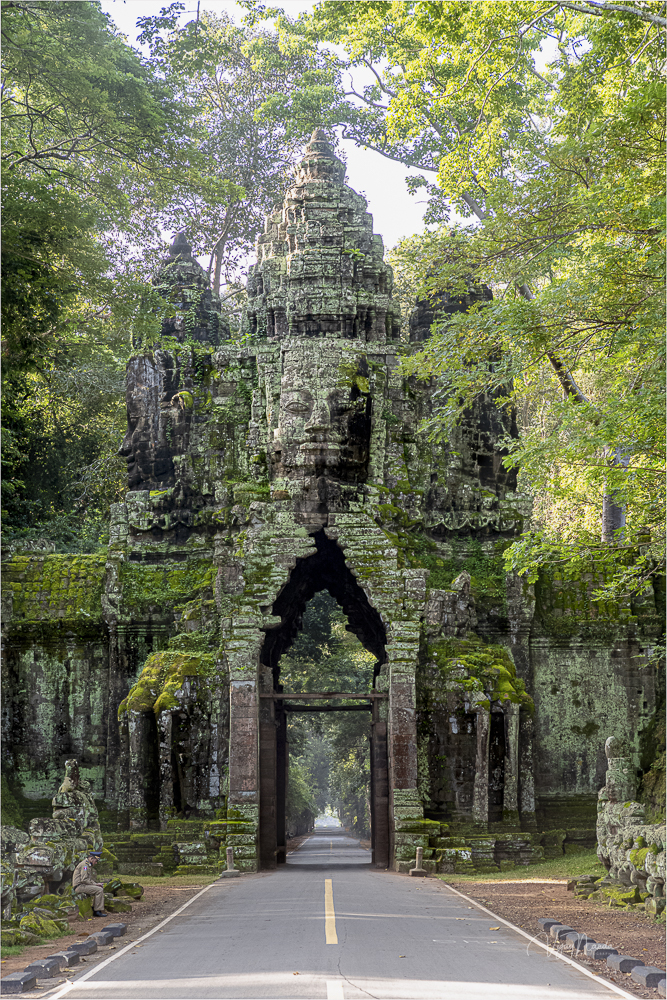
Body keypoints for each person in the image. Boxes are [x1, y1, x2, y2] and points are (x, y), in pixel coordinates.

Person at [72, 851, 107, 917]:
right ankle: (97, 911)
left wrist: (95, 884)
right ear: (91, 859)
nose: (96, 863)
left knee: (99, 888)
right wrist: (95, 884)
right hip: (79, 886)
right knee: (99, 890)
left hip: (82, 885)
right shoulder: (85, 865)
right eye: (95, 861)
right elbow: (84, 879)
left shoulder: (87, 864)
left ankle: (96, 908)